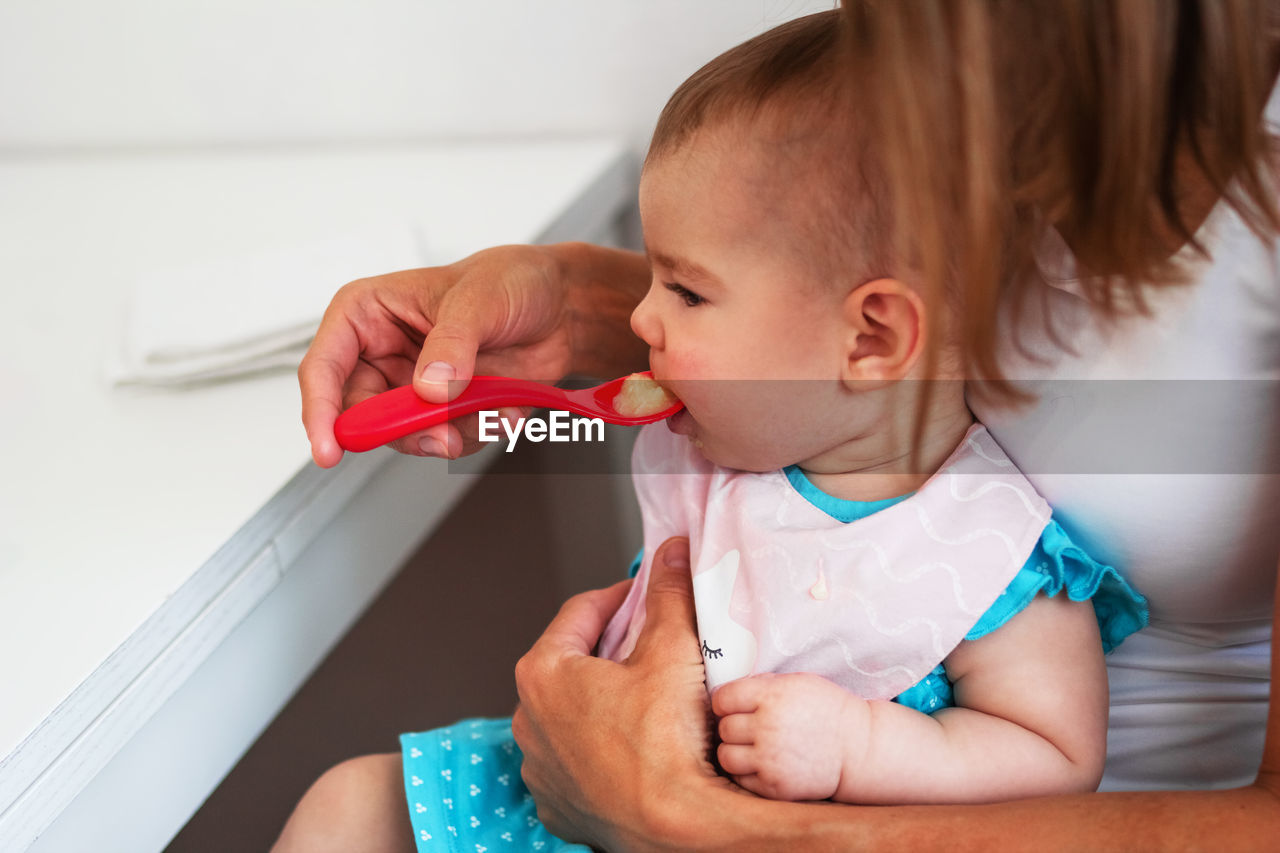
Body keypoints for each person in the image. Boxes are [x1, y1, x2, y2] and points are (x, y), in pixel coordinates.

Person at [286, 0, 1280, 849]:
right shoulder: (949, 132)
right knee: (343, 809)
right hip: (655, 781)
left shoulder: (1008, 575)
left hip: (918, 807)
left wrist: (692, 816)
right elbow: (818, 316)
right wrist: (574, 299)